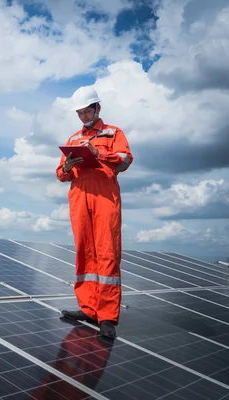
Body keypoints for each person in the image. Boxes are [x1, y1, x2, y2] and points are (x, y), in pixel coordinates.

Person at [55, 85, 133, 339]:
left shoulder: (113, 132)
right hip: (79, 200)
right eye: (80, 113)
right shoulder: (74, 138)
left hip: (104, 200)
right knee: (85, 254)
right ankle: (88, 308)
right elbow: (60, 175)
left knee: (107, 254)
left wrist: (99, 153)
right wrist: (67, 165)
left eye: (87, 111)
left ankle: (107, 316)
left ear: (98, 108)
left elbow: (125, 160)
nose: (84, 117)